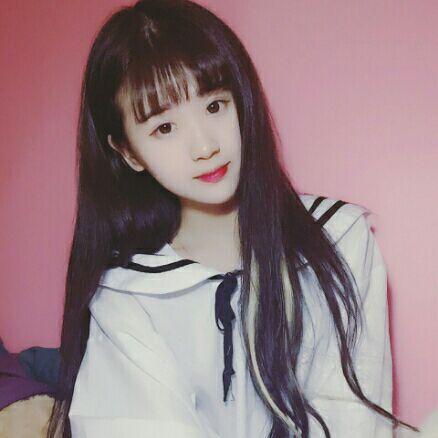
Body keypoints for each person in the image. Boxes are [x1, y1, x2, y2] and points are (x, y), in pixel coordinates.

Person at [46, 0, 419, 437]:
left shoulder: (338, 238)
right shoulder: (128, 295)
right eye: (164, 127)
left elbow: (354, 417)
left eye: (214, 106)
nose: (205, 146)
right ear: (128, 152)